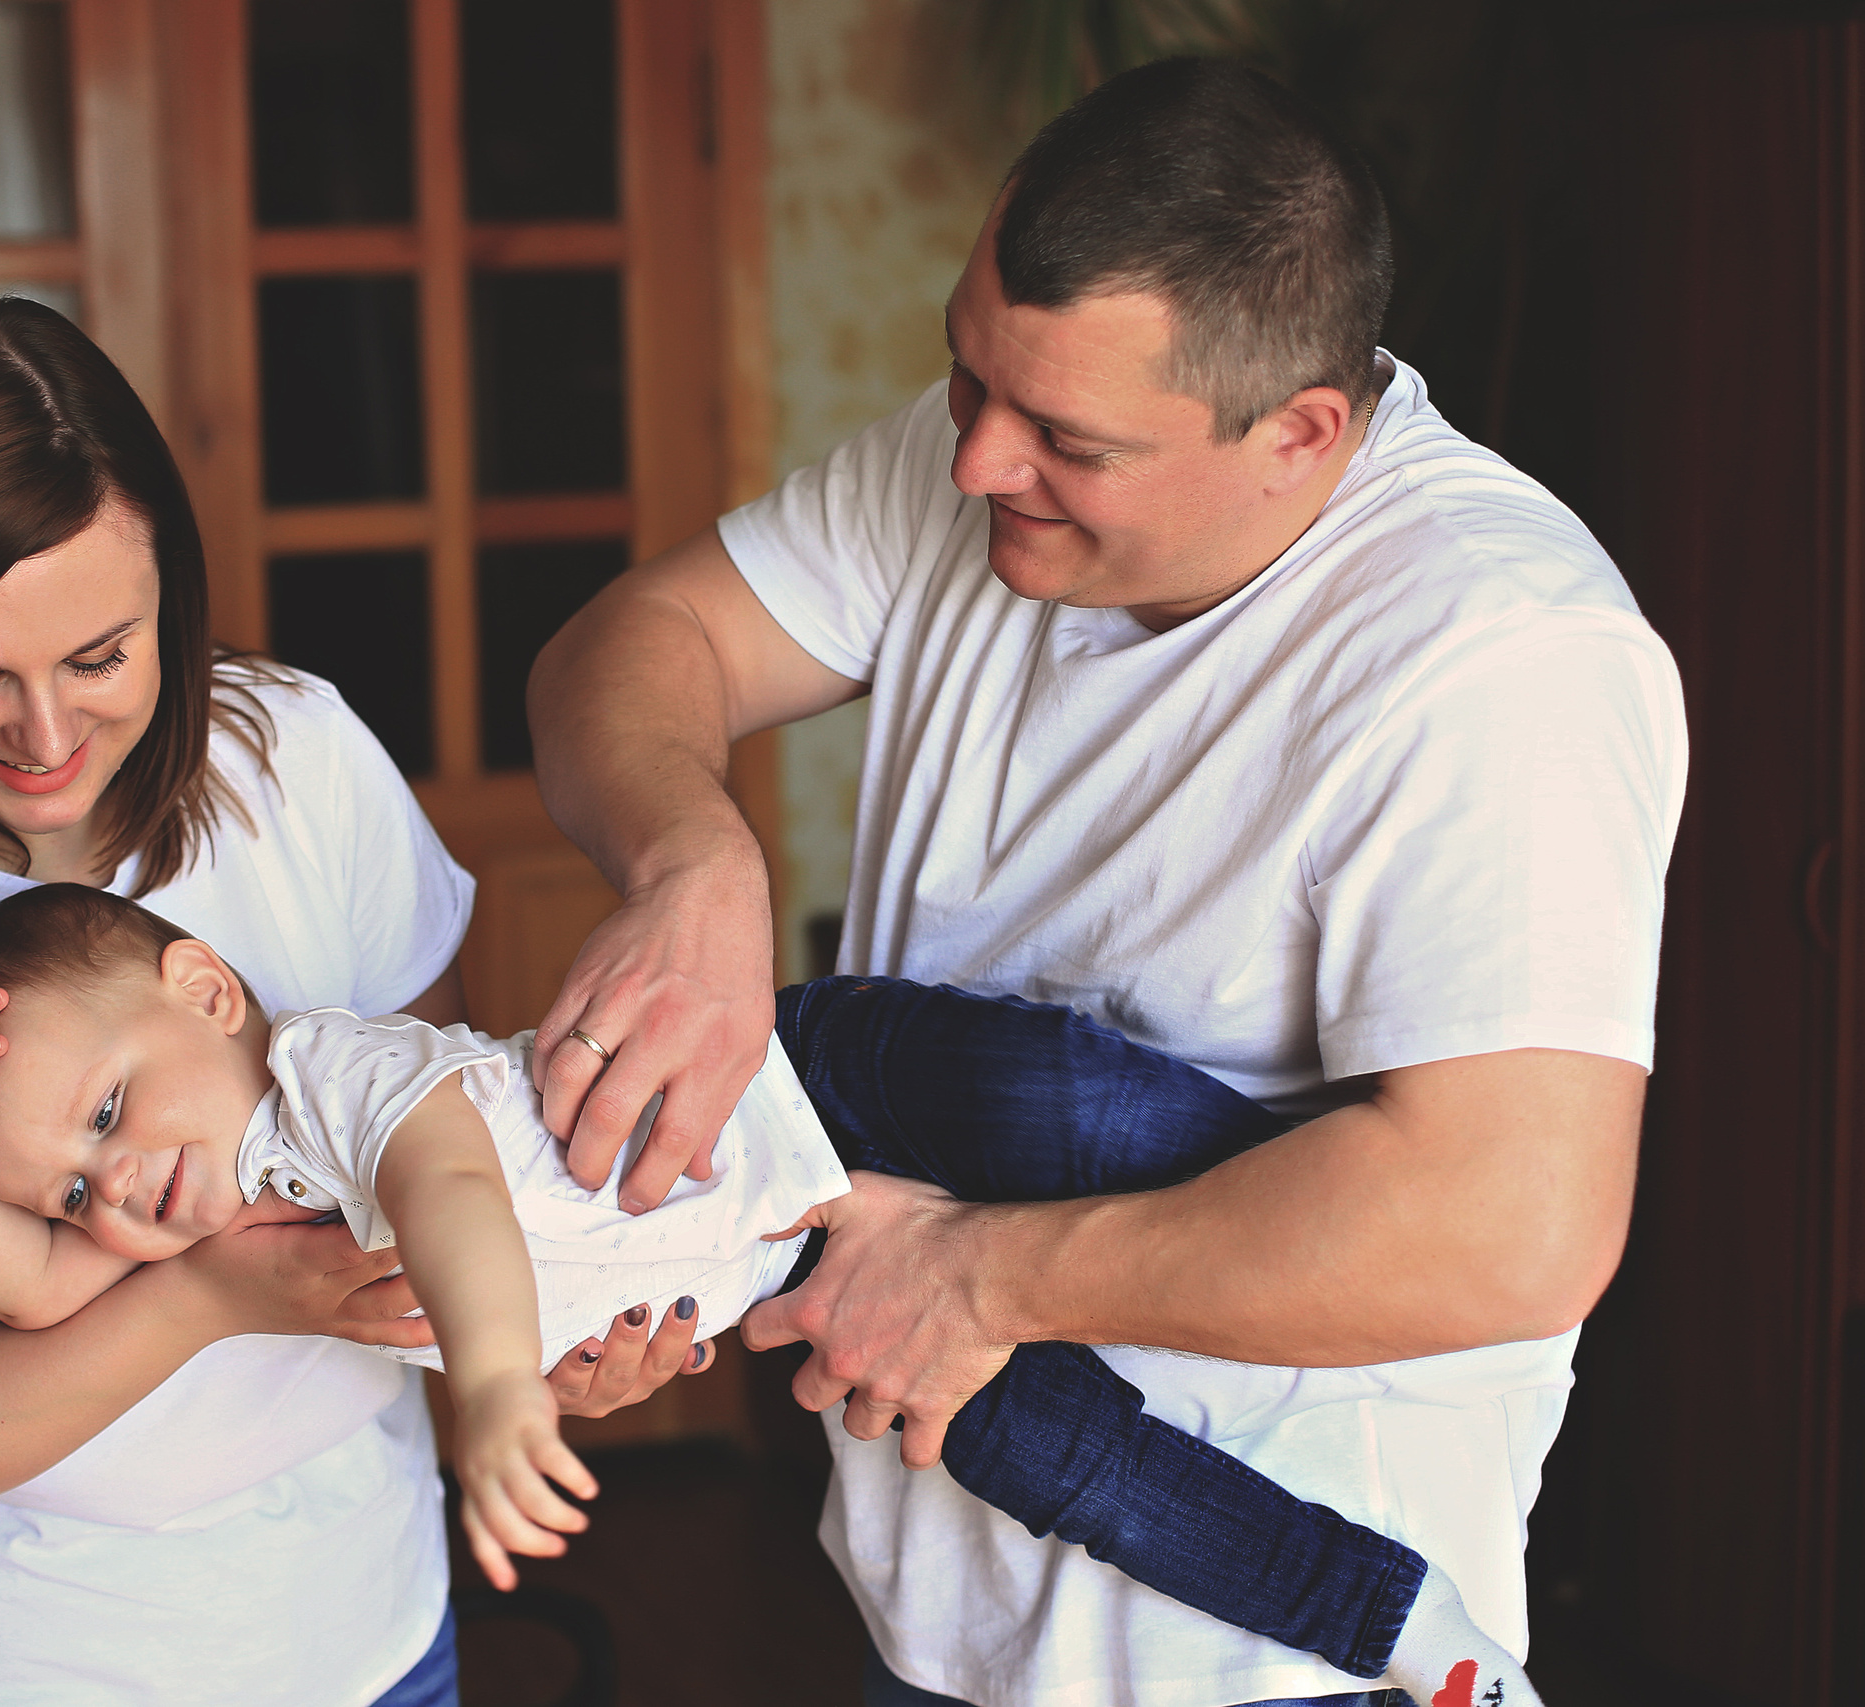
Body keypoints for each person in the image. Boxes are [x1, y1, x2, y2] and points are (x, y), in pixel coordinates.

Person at [525, 58, 1686, 1707]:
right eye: (965, 377)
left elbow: (1511, 1227)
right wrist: (690, 861)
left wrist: (977, 1276)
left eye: (1068, 437)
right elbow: (630, 649)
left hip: (1259, 1655)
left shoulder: (1502, 656)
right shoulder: (988, 461)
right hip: (936, 1605)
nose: (976, 463)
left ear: (1300, 436)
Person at [0, 298, 694, 1707]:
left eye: (101, 656)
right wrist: (208, 1294)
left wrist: (537, 1347)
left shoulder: (299, 761)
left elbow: (456, 1140)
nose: (44, 740)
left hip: (359, 1628)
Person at [0, 880, 1538, 1706]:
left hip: (811, 1087)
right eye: (78, 1191)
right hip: (805, 1262)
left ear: (203, 991)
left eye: (104, 1114)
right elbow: (28, 1298)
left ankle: (1366, 1210)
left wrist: (499, 1384)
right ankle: (1409, 1636)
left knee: (1093, 1120)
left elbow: (451, 1191)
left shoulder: (323, 1078)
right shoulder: (233, 1235)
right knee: (1077, 1473)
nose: (116, 1186)